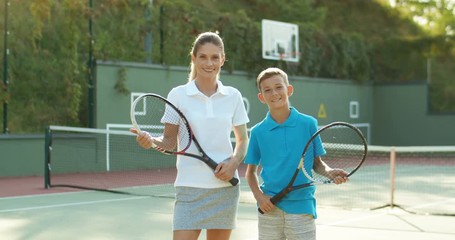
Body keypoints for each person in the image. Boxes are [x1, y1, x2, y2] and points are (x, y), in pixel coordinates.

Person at [130, 31, 249, 240]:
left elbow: (243, 140)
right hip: (189, 188)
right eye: (203, 56)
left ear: (222, 60)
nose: (209, 63)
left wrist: (233, 162)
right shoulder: (178, 95)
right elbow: (168, 142)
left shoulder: (233, 96)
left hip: (225, 189)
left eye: (214, 57)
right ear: (194, 58)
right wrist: (151, 141)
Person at [244, 67, 348, 240]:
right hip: (269, 208)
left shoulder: (308, 124)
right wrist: (260, 197)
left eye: (278, 87)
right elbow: (250, 172)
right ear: (261, 97)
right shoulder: (257, 132)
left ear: (289, 90)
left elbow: (317, 163)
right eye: (267, 90)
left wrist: (329, 173)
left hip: (302, 206)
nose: (274, 93)